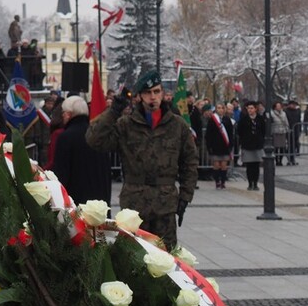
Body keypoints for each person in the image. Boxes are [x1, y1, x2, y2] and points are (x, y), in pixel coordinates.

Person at [87, 69, 198, 249]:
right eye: (147, 93)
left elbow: (190, 162)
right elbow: (94, 140)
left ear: (162, 93)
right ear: (139, 96)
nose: (152, 97)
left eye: (156, 91)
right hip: (134, 205)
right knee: (133, 258)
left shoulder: (178, 126)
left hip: (165, 204)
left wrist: (186, 196)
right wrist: (114, 111)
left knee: (166, 258)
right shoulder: (126, 125)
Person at [52, 96, 111, 206]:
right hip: (100, 202)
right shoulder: (97, 135)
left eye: (64, 112)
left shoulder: (65, 137)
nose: (62, 116)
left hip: (76, 200)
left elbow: (61, 173)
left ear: (69, 114)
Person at [237, 100, 266, 191]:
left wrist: (260, 139)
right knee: (249, 166)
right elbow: (239, 131)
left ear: (255, 109)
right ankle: (250, 183)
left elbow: (263, 130)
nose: (250, 110)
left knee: (256, 166)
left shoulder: (260, 119)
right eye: (248, 108)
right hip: (247, 145)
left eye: (252, 108)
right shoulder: (244, 119)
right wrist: (244, 139)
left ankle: (255, 183)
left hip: (257, 145)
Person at [204, 103, 233, 189]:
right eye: (218, 108)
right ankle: (217, 181)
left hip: (225, 145)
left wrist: (230, 145)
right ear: (216, 109)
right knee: (216, 165)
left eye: (222, 108)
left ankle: (223, 182)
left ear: (224, 109)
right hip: (215, 145)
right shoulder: (212, 120)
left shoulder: (227, 120)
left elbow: (231, 134)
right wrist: (209, 146)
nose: (220, 110)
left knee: (224, 165)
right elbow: (208, 134)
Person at [269, 100, 289, 167]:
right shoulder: (272, 113)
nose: (279, 107)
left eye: (280, 106)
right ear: (275, 107)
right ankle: (276, 160)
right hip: (276, 132)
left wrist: (287, 128)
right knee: (276, 148)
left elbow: (286, 121)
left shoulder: (284, 113)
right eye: (277, 106)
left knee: (282, 148)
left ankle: (280, 160)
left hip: (282, 131)